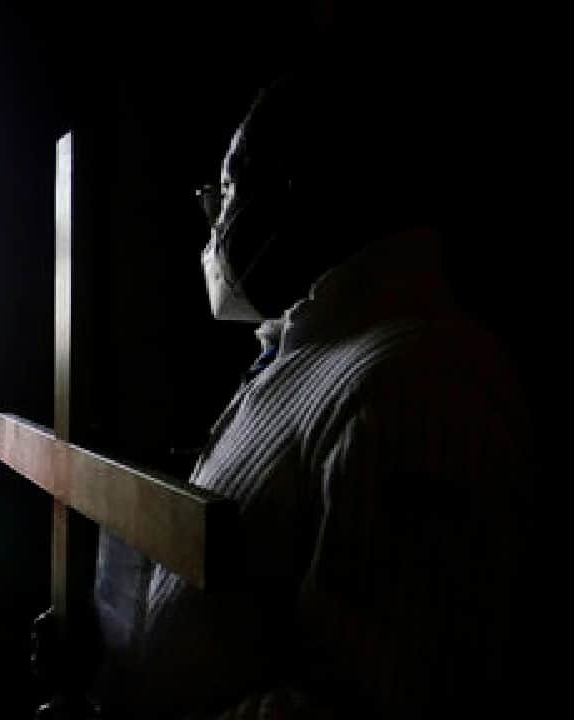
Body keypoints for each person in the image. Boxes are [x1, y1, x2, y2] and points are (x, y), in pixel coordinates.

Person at [110, 60, 533, 717]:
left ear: (288, 188)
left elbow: (365, 702)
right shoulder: (310, 350)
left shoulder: (418, 384)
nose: (214, 224)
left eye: (224, 192)